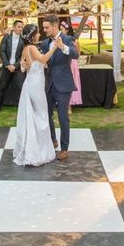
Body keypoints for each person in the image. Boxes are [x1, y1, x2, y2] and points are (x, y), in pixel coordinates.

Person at [13, 24, 59, 166]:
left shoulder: (25, 49)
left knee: (34, 116)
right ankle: (38, 151)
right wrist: (54, 47)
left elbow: (22, 66)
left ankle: (33, 147)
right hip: (35, 85)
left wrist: (22, 64)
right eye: (38, 33)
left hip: (30, 83)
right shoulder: (32, 48)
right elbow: (43, 59)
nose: (40, 35)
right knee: (41, 115)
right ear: (33, 35)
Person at [40, 14, 79, 161]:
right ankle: (53, 140)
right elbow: (40, 58)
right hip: (49, 84)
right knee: (47, 115)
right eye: (43, 27)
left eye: (47, 27)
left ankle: (64, 148)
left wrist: (63, 47)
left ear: (55, 26)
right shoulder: (44, 43)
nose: (44, 30)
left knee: (63, 117)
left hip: (64, 84)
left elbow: (76, 55)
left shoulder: (68, 39)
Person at [0, 20, 25, 111]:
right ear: (14, 27)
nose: (20, 29)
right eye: (19, 27)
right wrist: (7, 64)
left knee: (21, 87)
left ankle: (22, 106)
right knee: (2, 86)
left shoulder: (23, 39)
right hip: (7, 66)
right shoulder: (6, 37)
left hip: (17, 66)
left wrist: (15, 66)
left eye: (21, 27)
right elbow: (2, 51)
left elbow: (22, 55)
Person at [60, 20, 82, 108]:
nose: (60, 31)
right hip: (63, 62)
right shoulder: (60, 40)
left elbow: (78, 53)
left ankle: (70, 104)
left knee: (72, 82)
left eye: (61, 29)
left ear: (67, 30)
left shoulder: (74, 41)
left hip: (72, 63)